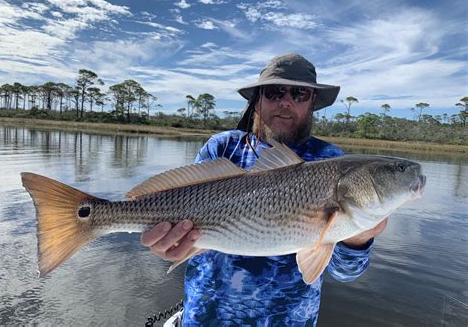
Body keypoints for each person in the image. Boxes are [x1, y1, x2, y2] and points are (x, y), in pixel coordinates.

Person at [141, 53, 387, 326]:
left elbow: (345, 272)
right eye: (274, 91)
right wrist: (169, 246)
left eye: (300, 94)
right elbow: (179, 217)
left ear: (312, 103)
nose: (286, 101)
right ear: (257, 99)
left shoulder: (332, 161)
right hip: (205, 319)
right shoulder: (222, 148)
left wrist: (358, 237)